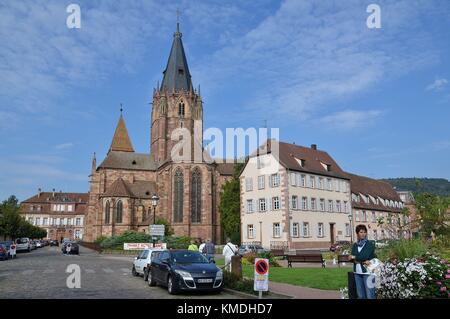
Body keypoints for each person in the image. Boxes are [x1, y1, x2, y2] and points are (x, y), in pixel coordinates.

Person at [348, 224, 377, 299]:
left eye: (364, 232)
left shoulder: (370, 244)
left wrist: (354, 257)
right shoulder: (355, 245)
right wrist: (354, 258)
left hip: (368, 272)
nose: (363, 234)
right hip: (357, 273)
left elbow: (365, 256)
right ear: (357, 233)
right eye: (361, 232)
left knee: (370, 295)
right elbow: (352, 258)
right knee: (360, 296)